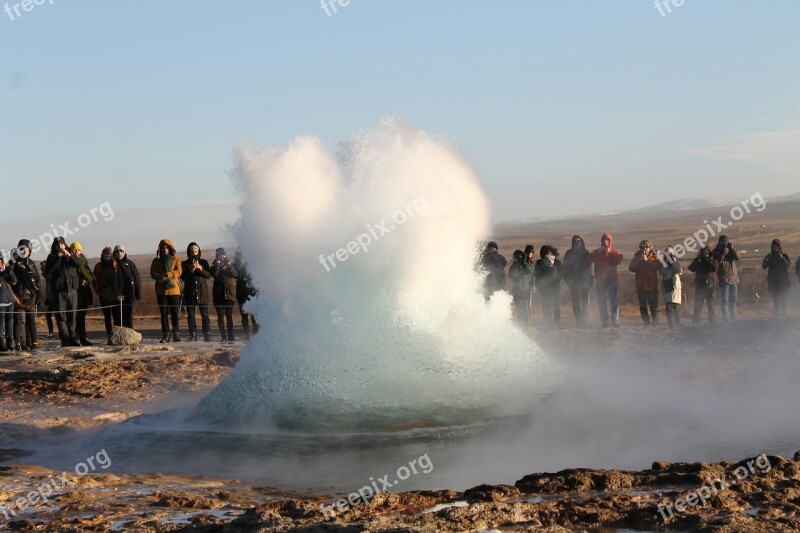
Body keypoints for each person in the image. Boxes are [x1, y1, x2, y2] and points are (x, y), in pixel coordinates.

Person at [45, 237, 81, 347]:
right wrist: (59, 257)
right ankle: (65, 339)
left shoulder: (70, 254)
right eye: (58, 244)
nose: (61, 246)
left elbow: (78, 263)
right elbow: (49, 271)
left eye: (62, 244)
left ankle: (73, 338)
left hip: (72, 290)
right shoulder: (51, 257)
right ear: (55, 246)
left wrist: (68, 256)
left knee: (73, 316)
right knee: (61, 317)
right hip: (59, 292)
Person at [150, 239, 183, 343]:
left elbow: (179, 272)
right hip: (161, 290)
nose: (165, 249)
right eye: (163, 247)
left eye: (167, 247)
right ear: (160, 249)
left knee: (175, 313)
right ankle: (166, 335)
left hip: (174, 290)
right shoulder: (156, 261)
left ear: (170, 248)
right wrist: (160, 277)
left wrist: (168, 274)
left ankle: (176, 334)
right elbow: (152, 273)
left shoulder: (176, 259)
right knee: (163, 314)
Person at [588, 234, 623, 328]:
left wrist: (610, 253)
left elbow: (619, 259)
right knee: (601, 302)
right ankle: (604, 322)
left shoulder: (614, 252)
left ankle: (615, 322)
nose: (605, 242)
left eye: (607, 240)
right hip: (601, 281)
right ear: (601, 241)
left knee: (614, 302)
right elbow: (589, 258)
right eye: (604, 240)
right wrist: (598, 253)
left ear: (610, 241)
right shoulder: (597, 252)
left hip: (612, 280)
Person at [11, 240, 41, 350]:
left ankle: (33, 342)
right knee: (19, 320)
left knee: (31, 320)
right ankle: (19, 343)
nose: (24, 251)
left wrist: (39, 295)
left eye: (26, 249)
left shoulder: (32, 263)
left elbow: (37, 280)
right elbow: (9, 278)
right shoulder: (13, 262)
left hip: (30, 296)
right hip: (18, 296)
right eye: (21, 249)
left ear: (30, 250)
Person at [181, 242, 212, 342]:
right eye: (192, 251)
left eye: (196, 251)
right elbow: (183, 278)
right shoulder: (184, 264)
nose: (194, 253)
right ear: (189, 252)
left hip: (203, 293)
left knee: (205, 315)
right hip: (190, 293)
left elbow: (208, 275)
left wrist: (201, 269)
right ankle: (193, 335)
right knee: (191, 315)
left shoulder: (204, 262)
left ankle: (207, 334)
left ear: (198, 251)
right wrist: (192, 270)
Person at [93, 247, 124, 344]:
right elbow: (94, 280)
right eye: (106, 256)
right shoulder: (98, 266)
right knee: (107, 317)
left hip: (115, 295)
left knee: (117, 317)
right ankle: (110, 336)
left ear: (112, 255)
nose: (107, 257)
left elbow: (120, 279)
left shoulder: (116, 265)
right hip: (104, 295)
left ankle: (117, 336)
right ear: (102, 256)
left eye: (109, 256)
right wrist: (97, 290)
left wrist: (120, 293)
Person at [628, 240, 660, 326]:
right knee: (643, 307)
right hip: (641, 286)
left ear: (650, 247)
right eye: (642, 247)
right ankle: (647, 324)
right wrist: (639, 261)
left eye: (646, 247)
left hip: (652, 286)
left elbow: (655, 268)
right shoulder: (637, 256)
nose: (644, 249)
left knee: (654, 307)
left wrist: (646, 261)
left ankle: (655, 324)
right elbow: (631, 268)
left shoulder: (655, 256)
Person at [562, 235, 592, 327]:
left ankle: (586, 321)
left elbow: (589, 268)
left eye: (579, 240)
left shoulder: (586, 253)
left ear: (581, 241)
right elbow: (565, 268)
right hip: (573, 281)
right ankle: (579, 321)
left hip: (584, 281)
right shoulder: (569, 253)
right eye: (575, 241)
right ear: (572, 242)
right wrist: (567, 280)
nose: (577, 242)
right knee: (575, 302)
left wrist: (590, 279)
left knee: (585, 302)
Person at [70, 242, 95, 346]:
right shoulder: (70, 262)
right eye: (74, 250)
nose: (77, 252)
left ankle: (83, 338)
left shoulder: (84, 262)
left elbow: (91, 276)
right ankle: (75, 338)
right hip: (75, 292)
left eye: (78, 250)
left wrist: (86, 281)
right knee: (74, 317)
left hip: (84, 292)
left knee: (81, 317)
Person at [211, 248, 238, 342]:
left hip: (229, 295)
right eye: (219, 255)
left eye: (222, 255)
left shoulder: (229, 264)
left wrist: (229, 266)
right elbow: (215, 274)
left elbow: (235, 275)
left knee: (229, 317)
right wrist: (218, 263)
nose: (221, 257)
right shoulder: (214, 265)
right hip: (218, 295)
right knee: (220, 317)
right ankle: (223, 336)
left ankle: (231, 335)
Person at [712, 235, 741, 321]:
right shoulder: (716, 251)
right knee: (725, 301)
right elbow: (717, 263)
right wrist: (723, 253)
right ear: (719, 242)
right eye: (723, 241)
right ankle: (726, 319)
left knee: (733, 301)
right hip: (724, 279)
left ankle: (734, 318)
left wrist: (732, 247)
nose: (725, 243)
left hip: (734, 278)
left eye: (726, 241)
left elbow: (738, 257)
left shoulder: (731, 249)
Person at [688, 246, 719, 324]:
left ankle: (713, 322)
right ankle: (696, 322)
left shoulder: (713, 261)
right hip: (700, 286)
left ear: (709, 254)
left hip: (710, 286)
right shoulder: (699, 262)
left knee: (711, 305)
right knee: (698, 305)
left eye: (706, 253)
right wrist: (697, 258)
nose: (704, 255)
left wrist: (708, 259)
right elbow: (691, 268)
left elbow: (714, 268)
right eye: (703, 253)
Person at [534, 245, 563, 327]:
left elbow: (560, 274)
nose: (548, 254)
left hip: (555, 287)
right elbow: (536, 273)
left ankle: (557, 323)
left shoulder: (557, 262)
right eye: (546, 252)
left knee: (555, 305)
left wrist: (553, 280)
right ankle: (548, 323)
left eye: (549, 252)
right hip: (544, 288)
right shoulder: (540, 262)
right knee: (546, 305)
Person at [234, 250, 260, 340]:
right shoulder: (237, 266)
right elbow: (234, 274)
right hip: (241, 294)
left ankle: (256, 336)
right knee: (244, 317)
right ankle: (247, 336)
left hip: (252, 294)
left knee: (254, 317)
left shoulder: (253, 265)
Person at [114, 245, 141, 329]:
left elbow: (136, 278)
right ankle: (119, 335)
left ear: (124, 252)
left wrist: (138, 292)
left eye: (121, 251)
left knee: (128, 316)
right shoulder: (112, 264)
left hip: (129, 293)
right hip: (117, 294)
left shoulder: (130, 263)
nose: (119, 253)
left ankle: (129, 335)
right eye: (117, 251)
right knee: (118, 316)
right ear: (114, 252)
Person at [762, 239, 791, 317]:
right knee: (776, 301)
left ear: (779, 247)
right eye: (774, 246)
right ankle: (777, 317)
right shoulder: (770, 257)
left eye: (776, 246)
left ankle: (784, 316)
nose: (775, 248)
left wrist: (782, 258)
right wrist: (766, 258)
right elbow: (764, 266)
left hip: (783, 282)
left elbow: (788, 265)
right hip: (774, 283)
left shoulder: (784, 255)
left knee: (783, 301)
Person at [658, 245, 683, 328]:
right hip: (667, 285)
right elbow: (662, 271)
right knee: (669, 307)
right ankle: (671, 325)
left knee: (676, 307)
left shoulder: (676, 262)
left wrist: (672, 262)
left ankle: (678, 325)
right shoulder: (663, 263)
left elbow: (679, 270)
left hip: (675, 286)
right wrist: (666, 262)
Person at [508, 249, 534, 325]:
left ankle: (527, 323)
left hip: (525, 290)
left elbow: (531, 271)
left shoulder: (526, 265)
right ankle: (521, 323)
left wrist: (524, 264)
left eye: (514, 257)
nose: (514, 259)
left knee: (526, 308)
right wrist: (515, 265)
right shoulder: (514, 266)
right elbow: (510, 274)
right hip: (517, 290)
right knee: (519, 308)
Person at [0, 257, 17, 353]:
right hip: (1, 302)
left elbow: (14, 280)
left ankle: (10, 342)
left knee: (9, 323)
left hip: (9, 300)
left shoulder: (5, 271)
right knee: (0, 324)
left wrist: (8, 270)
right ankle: (1, 344)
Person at [39, 260, 55, 339]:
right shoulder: (48, 276)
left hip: (55, 298)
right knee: (48, 315)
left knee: (60, 316)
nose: (42, 269)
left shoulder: (50, 275)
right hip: (51, 298)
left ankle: (63, 333)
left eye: (43, 268)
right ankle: (51, 333)